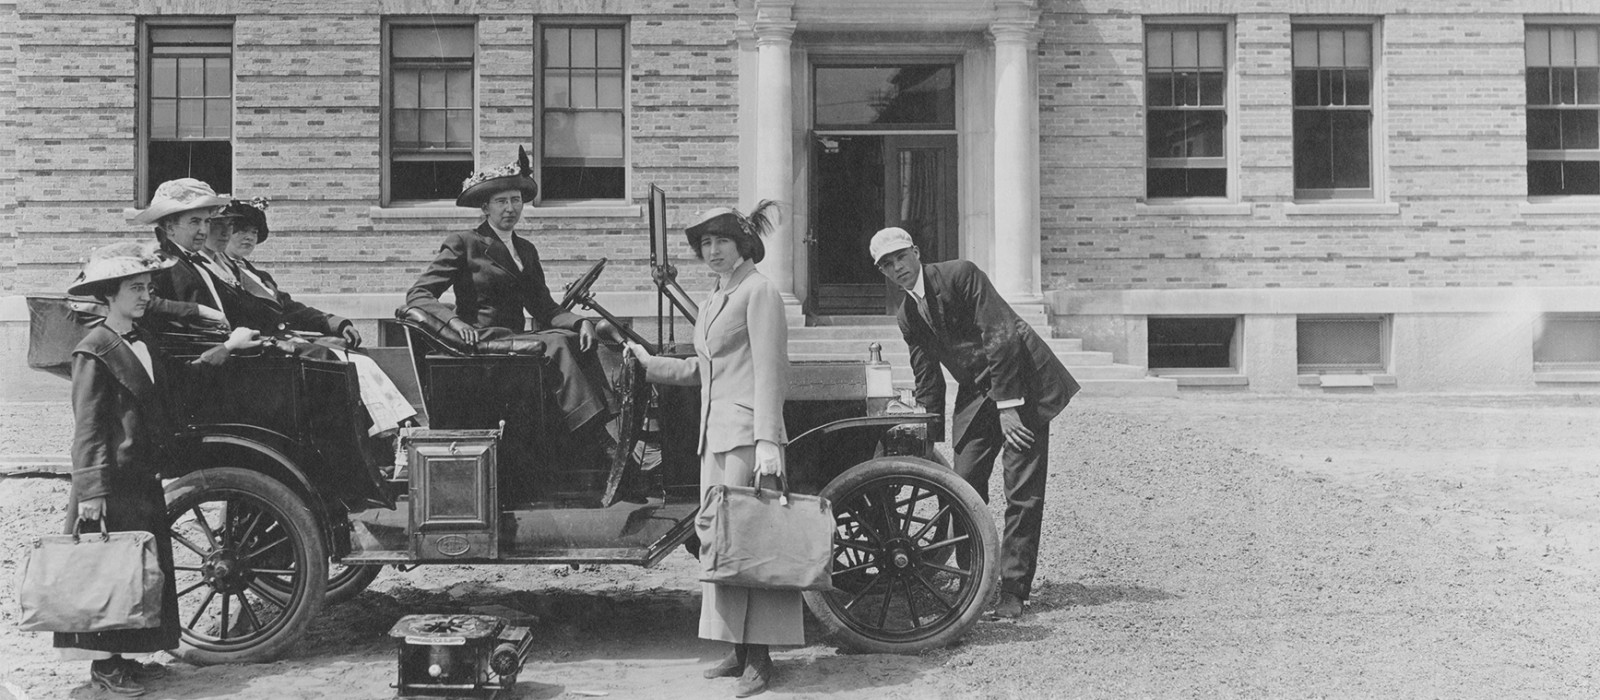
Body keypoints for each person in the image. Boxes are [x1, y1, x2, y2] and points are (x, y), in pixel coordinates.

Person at [55, 241, 260, 696]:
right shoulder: (94, 350)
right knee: (107, 574)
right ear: (109, 294)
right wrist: (91, 492)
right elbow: (87, 429)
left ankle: (126, 660)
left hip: (142, 475)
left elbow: (179, 381)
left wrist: (228, 346)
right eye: (135, 288)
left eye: (148, 287)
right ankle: (104, 671)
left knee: (140, 569)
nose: (146, 295)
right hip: (110, 482)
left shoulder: (143, 340)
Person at [869, 226, 1081, 620]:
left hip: (1024, 380)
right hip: (978, 392)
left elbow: (1001, 336)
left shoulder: (961, 274)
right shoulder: (907, 314)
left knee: (1021, 489)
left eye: (900, 256)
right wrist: (923, 434)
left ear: (916, 252)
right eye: (886, 264)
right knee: (962, 484)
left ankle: (1015, 590)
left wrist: (1010, 405)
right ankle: (972, 577)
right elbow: (927, 379)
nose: (896, 267)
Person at [625, 202, 792, 698]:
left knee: (749, 541)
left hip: (744, 436)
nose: (711, 252)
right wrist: (648, 362)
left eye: (720, 241)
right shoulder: (720, 293)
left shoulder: (759, 291)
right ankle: (738, 649)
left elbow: (771, 369)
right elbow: (703, 369)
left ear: (743, 244)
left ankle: (761, 660)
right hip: (713, 437)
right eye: (704, 245)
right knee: (720, 541)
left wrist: (768, 440)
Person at [406, 147, 615, 446]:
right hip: (483, 342)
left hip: (514, 340)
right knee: (554, 343)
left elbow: (544, 308)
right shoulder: (464, 244)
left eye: (515, 200)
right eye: (501, 201)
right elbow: (418, 294)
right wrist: (454, 323)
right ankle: (592, 435)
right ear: (485, 207)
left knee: (572, 338)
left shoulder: (526, 250)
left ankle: (600, 428)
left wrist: (579, 322)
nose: (510, 208)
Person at [209, 198, 416, 438]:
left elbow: (291, 309)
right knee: (350, 367)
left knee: (364, 362)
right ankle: (381, 438)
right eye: (241, 231)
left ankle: (401, 430)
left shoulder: (258, 275)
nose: (249, 237)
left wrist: (335, 323)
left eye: (254, 232)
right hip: (264, 353)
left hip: (290, 343)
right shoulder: (220, 273)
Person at [126, 178, 233, 332]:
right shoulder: (159, 261)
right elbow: (144, 303)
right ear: (170, 228)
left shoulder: (197, 261)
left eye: (207, 221)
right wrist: (198, 310)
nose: (203, 230)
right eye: (195, 222)